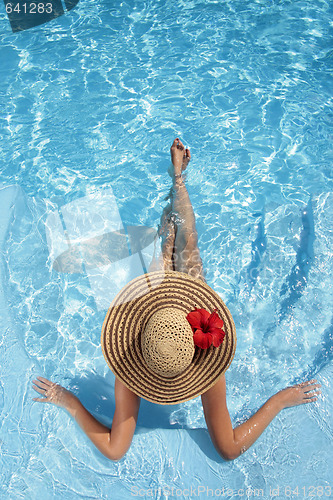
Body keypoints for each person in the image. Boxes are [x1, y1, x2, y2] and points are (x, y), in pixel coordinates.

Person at [32, 138, 321, 461]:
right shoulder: (199, 360)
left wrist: (70, 401)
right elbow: (228, 448)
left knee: (173, 245)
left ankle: (178, 182)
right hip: (169, 317)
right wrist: (278, 400)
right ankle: (178, 181)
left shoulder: (134, 365)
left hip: (158, 311)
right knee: (183, 246)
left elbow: (116, 449)